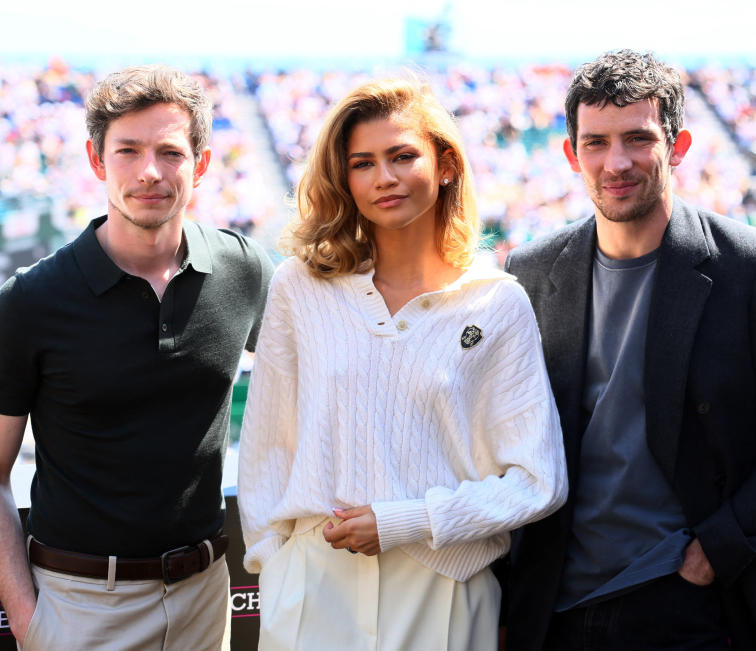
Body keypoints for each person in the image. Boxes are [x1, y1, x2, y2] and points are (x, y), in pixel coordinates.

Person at [502, 50, 756, 650]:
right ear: (571, 153)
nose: (617, 162)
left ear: (676, 146)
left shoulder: (750, 265)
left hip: (698, 604)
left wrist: (716, 549)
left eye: (637, 139)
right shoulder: (532, 270)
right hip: (559, 611)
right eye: (596, 143)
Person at [236, 77, 567, 650]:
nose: (383, 178)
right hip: (314, 589)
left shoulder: (498, 302)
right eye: (362, 163)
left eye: (402, 156)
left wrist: (406, 522)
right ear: (345, 179)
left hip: (443, 586)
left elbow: (538, 481)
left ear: (443, 164)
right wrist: (280, 568)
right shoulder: (300, 288)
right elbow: (266, 449)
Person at [0, 64, 273, 650]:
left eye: (170, 152)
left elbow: (320, 365)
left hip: (208, 601)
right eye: (127, 150)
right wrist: (31, 625)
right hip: (81, 609)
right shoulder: (30, 301)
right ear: (97, 160)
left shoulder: (244, 269)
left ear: (201, 164)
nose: (149, 172)